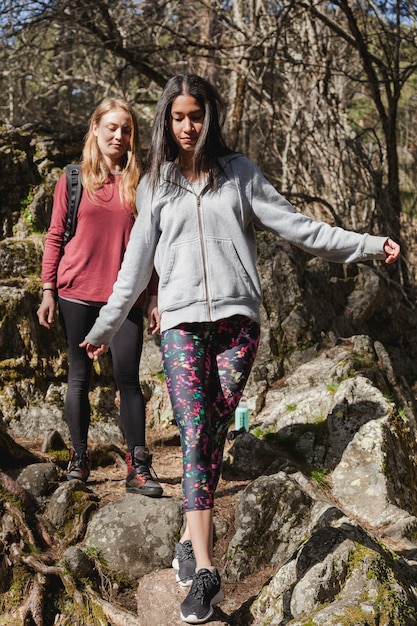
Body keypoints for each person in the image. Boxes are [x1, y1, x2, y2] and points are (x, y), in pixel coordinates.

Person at [80, 75, 400, 624]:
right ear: (166, 120)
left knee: (214, 431)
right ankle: (205, 571)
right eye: (178, 117)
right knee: (197, 427)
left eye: (196, 116)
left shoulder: (240, 174)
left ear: (210, 117)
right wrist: (106, 327)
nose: (188, 127)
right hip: (180, 325)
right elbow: (134, 270)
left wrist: (367, 245)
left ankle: (188, 537)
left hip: (237, 325)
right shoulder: (155, 183)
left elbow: (301, 229)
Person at [37, 96, 163, 498]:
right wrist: (47, 291)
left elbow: (152, 244)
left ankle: (139, 466)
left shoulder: (141, 183)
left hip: (125, 297)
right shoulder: (73, 179)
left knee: (128, 378)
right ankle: (78, 460)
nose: (119, 135)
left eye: (126, 129)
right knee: (79, 377)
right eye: (111, 127)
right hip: (76, 292)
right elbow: (55, 236)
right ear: (95, 129)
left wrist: (155, 295)